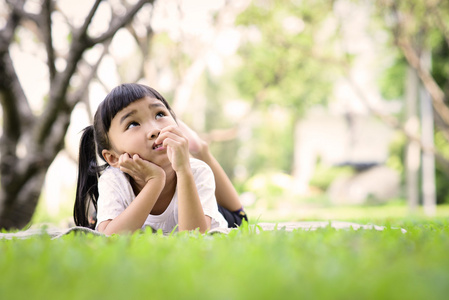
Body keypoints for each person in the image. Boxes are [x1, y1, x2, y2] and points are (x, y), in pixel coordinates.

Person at [74, 83, 247, 235]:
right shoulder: (113, 180)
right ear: (112, 158)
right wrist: (155, 181)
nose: (154, 129)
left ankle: (200, 148)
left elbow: (196, 238)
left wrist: (183, 171)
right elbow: (108, 240)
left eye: (159, 114)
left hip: (215, 214)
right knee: (99, 222)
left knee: (241, 219)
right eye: (133, 124)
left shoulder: (195, 171)